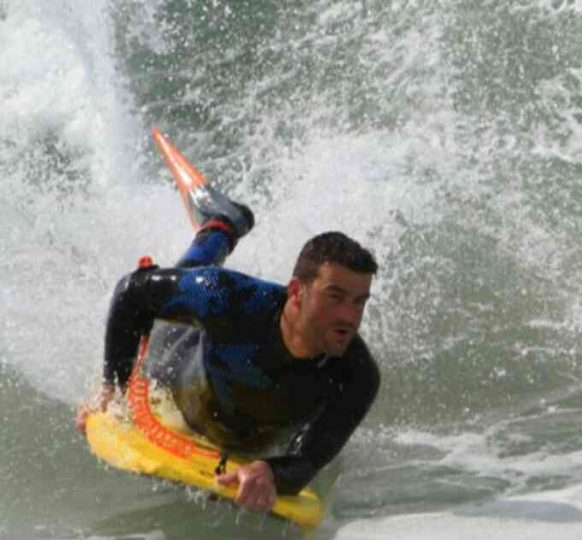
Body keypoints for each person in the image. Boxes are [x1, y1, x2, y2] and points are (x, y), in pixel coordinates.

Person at [76, 187, 380, 514]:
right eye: (334, 297)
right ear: (296, 292)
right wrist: (113, 388)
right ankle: (224, 224)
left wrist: (270, 471)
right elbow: (132, 292)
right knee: (193, 271)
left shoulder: (357, 376)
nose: (349, 317)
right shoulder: (230, 299)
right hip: (175, 362)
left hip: (243, 434)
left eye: (359, 302)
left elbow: (306, 462)